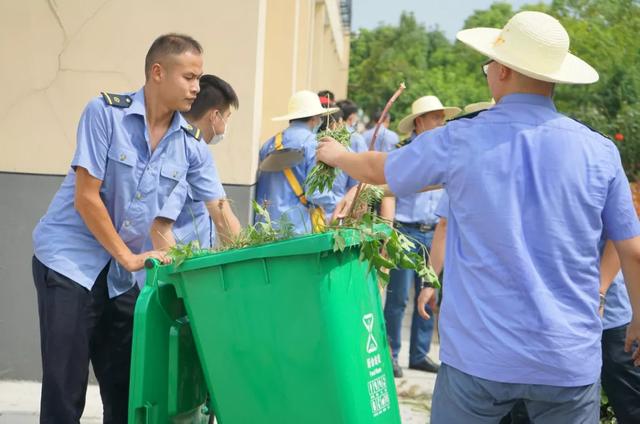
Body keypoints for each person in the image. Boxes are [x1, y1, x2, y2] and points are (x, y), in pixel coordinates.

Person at [317, 11, 640, 423]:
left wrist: (337, 155)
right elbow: (632, 250)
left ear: (503, 71)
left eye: (489, 64)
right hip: (567, 360)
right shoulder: (599, 151)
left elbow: (382, 170)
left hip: (480, 359)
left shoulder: (461, 138)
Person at [31, 33, 241, 423]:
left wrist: (248, 260)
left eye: (199, 78)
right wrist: (128, 257)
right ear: (157, 72)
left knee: (128, 389)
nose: (197, 88)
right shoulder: (105, 113)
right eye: (189, 77)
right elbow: (86, 197)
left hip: (123, 277)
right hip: (70, 262)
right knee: (65, 386)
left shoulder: (191, 145)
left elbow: (220, 209)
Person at [380, 95, 460, 378]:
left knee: (429, 296)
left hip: (433, 234)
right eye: (435, 117)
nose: (441, 122)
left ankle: (420, 354)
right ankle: (391, 353)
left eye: (442, 116)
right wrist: (387, 235)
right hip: (406, 232)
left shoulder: (447, 153)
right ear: (419, 121)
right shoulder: (402, 152)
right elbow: (387, 193)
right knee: (398, 298)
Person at [148, 74, 241, 252]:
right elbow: (223, 219)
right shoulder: (187, 148)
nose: (226, 125)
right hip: (173, 265)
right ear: (214, 116)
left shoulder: (169, 142)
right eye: (227, 117)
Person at [255, 90, 339, 234]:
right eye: (319, 117)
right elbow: (316, 193)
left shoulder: (269, 144)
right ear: (314, 119)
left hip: (265, 228)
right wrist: (339, 204)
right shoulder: (314, 145)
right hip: (296, 231)